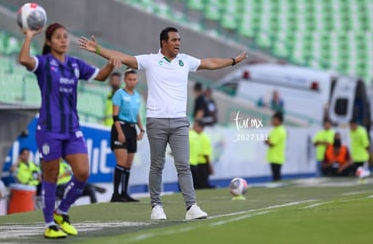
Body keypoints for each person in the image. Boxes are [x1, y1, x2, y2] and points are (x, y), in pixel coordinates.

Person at [79, 26, 248, 220]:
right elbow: (123, 57)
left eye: (179, 40)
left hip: (179, 121)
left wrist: (233, 61)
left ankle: (191, 206)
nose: (178, 43)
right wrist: (99, 50)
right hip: (156, 121)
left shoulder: (185, 61)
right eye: (174, 40)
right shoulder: (150, 60)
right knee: (157, 165)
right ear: (164, 42)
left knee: (183, 165)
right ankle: (156, 207)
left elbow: (209, 63)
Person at [18, 22, 119, 239]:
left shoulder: (75, 64)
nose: (63, 40)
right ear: (49, 42)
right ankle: (49, 224)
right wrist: (28, 36)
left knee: (83, 173)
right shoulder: (44, 63)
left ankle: (61, 211)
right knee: (51, 176)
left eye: (65, 36)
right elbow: (24, 59)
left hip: (72, 129)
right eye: (58, 37)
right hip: (49, 130)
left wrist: (110, 63)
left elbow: (101, 76)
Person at [110, 69, 145, 203]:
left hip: (131, 128)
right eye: (129, 79)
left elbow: (137, 115)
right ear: (125, 80)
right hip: (121, 127)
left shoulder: (137, 96)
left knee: (128, 164)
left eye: (134, 79)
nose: (132, 81)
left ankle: (124, 193)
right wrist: (120, 132)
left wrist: (141, 129)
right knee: (121, 162)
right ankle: (115, 194)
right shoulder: (119, 94)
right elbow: (115, 115)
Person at [189, 120, 214, 189]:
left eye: (195, 126)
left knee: (200, 185)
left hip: (201, 164)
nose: (193, 127)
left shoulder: (202, 137)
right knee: (198, 185)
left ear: (200, 127)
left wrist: (209, 166)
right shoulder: (197, 135)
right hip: (196, 163)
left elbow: (206, 154)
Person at [264, 112, 287, 181]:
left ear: (279, 121)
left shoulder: (280, 130)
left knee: (276, 177)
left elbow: (272, 143)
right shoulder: (275, 130)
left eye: (274, 120)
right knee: (275, 176)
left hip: (277, 158)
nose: (273, 121)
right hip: (274, 157)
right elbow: (268, 141)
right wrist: (267, 140)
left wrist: (267, 140)